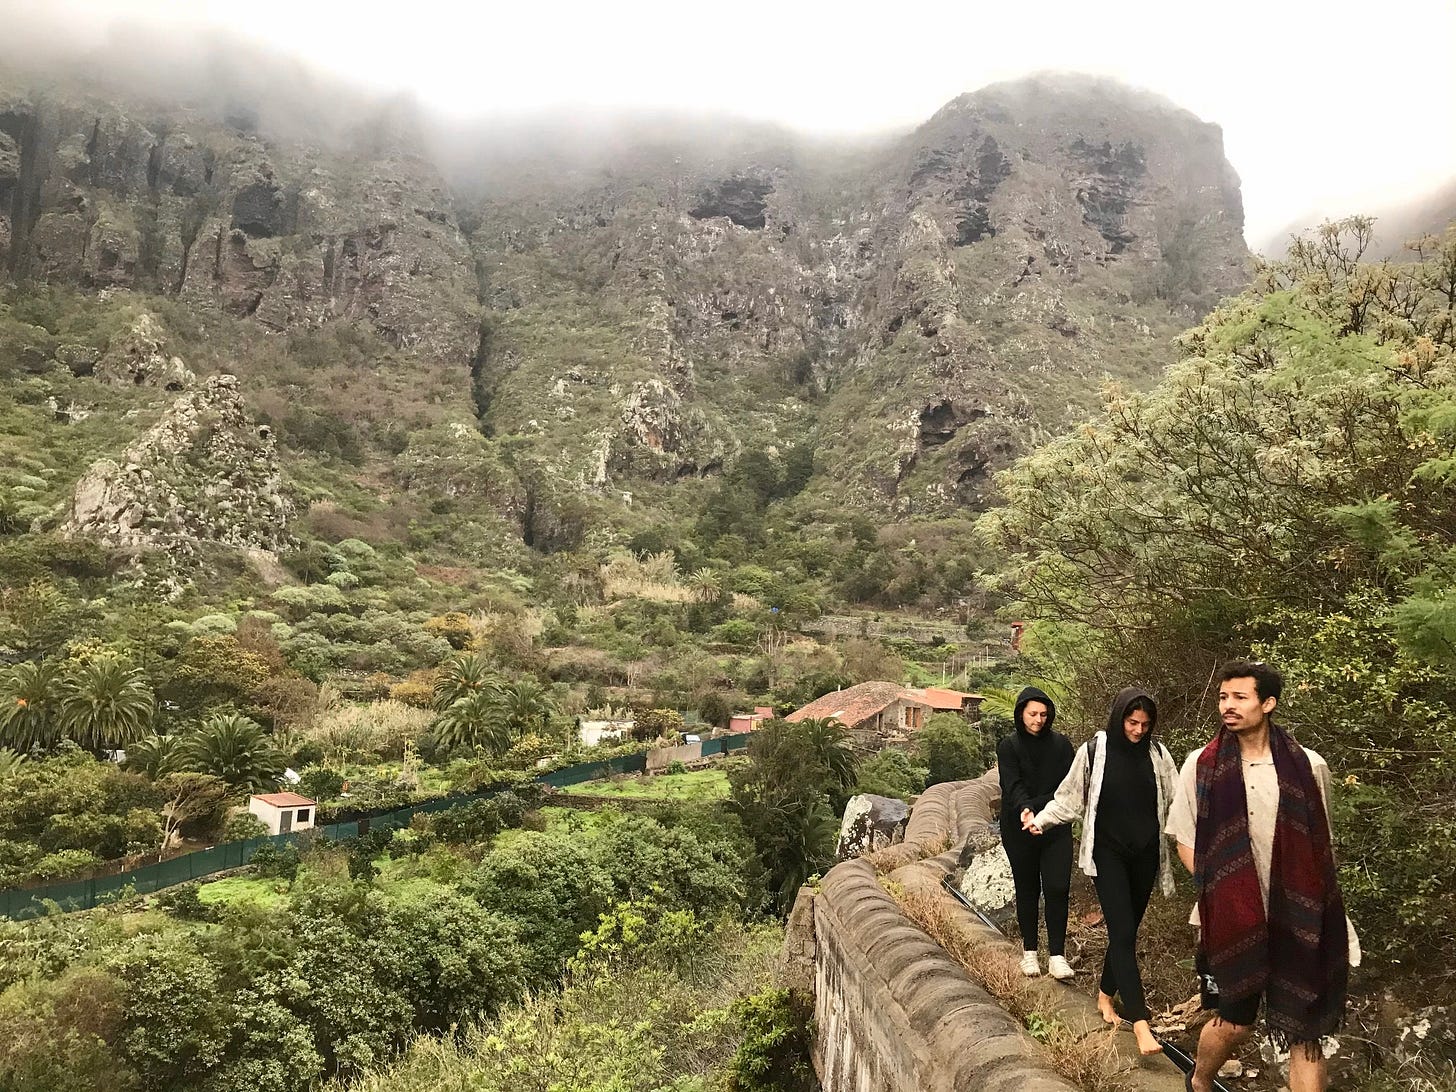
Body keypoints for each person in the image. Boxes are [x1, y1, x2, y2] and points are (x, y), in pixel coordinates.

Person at [1165, 661, 1359, 1092]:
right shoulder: (1201, 766)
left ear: (1268, 703)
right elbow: (1185, 840)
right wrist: (1223, 893)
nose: (1227, 706)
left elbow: (1322, 846)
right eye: (1223, 697)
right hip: (1232, 920)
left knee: (1305, 1034)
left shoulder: (1309, 766)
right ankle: (1200, 1081)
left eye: (1240, 697)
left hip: (1301, 922)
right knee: (1235, 1022)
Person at [1024, 687, 1180, 1056]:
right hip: (1108, 856)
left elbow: (1177, 799)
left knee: (1127, 931)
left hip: (1146, 855)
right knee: (1122, 931)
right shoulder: (1095, 751)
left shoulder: (1158, 755)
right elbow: (1069, 798)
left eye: (1145, 724)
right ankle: (1140, 1023)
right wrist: (1042, 821)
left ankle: (1105, 995)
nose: (1138, 731)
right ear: (1118, 718)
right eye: (1132, 723)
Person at [997, 685, 1075, 979]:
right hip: (1019, 826)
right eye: (1032, 714)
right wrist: (1025, 810)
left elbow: (1066, 789)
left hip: (1055, 825)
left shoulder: (1062, 746)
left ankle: (1057, 955)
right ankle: (1029, 952)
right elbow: (1011, 784)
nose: (1038, 720)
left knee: (1057, 887)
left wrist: (1037, 810)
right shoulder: (1008, 746)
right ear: (1021, 714)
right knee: (1027, 887)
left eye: (1043, 714)